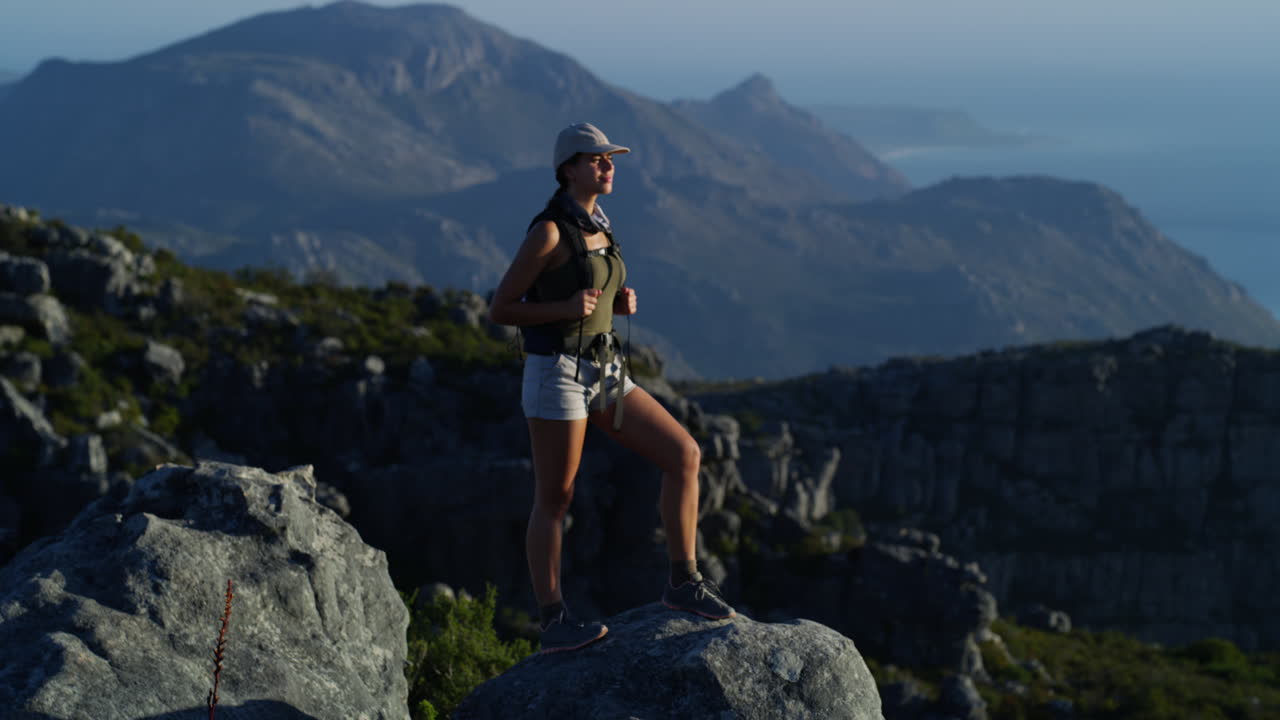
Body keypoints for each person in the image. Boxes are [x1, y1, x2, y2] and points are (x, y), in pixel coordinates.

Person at [488, 123, 735, 654]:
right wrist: (565, 308)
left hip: (603, 370)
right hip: (556, 374)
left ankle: (683, 583)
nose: (608, 166)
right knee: (555, 500)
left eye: (610, 159)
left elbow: (587, 293)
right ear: (568, 168)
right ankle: (553, 621)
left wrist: (612, 306)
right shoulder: (550, 232)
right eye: (596, 159)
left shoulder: (599, 223)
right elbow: (501, 307)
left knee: (684, 453)